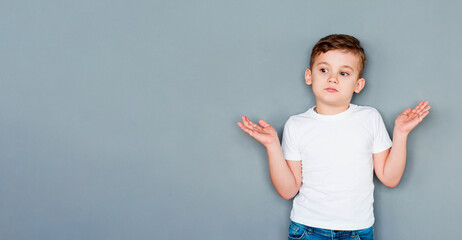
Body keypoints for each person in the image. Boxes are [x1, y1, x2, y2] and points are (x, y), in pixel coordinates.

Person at [237, 34, 431, 240]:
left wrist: (401, 133)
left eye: (344, 73)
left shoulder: (369, 118)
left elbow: (390, 178)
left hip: (358, 230)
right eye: (323, 70)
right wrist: (272, 145)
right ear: (309, 76)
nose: (332, 78)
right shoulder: (296, 125)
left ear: (358, 84)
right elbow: (288, 190)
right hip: (307, 229)